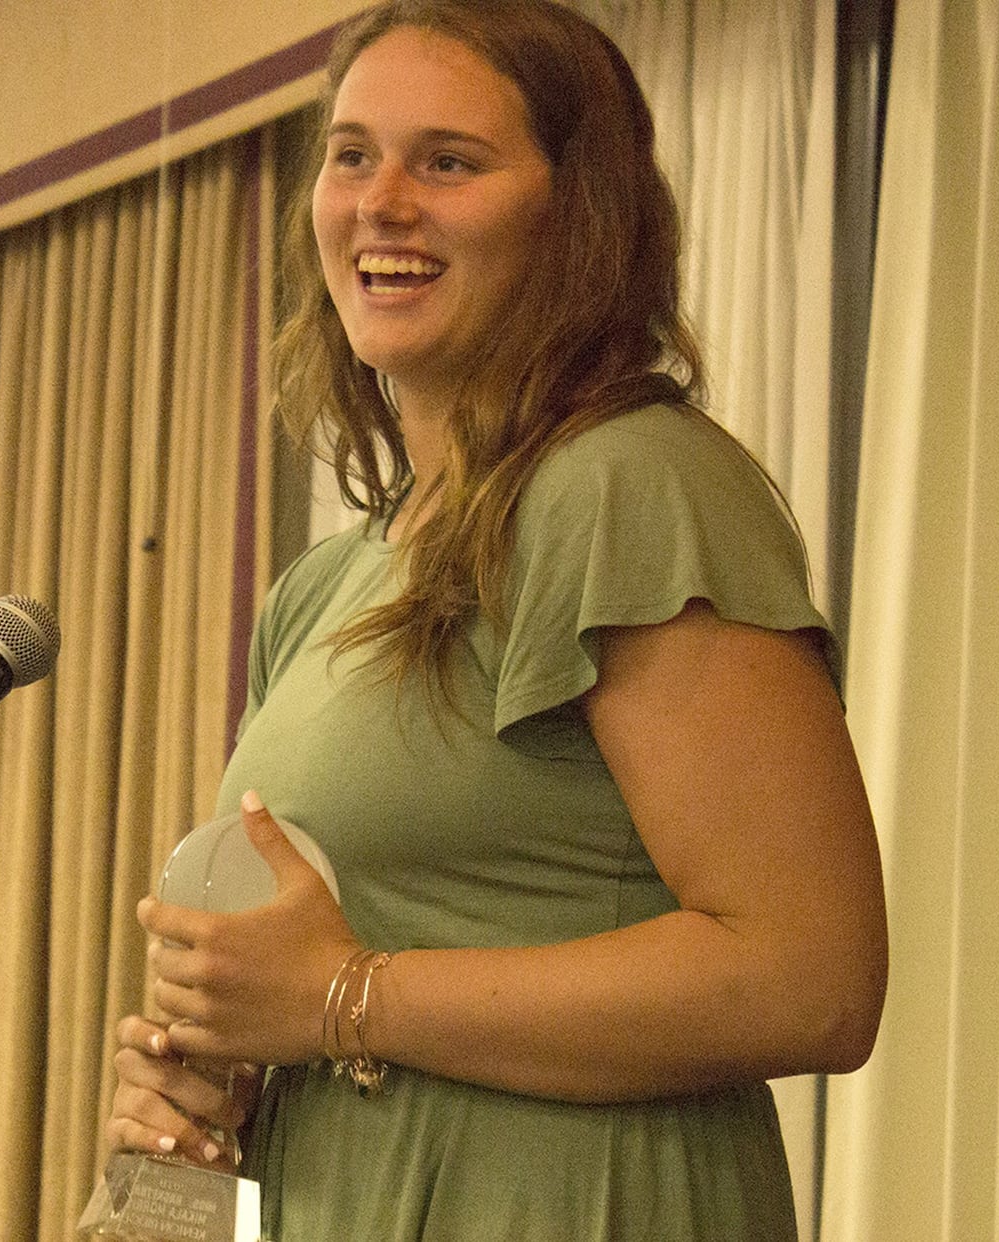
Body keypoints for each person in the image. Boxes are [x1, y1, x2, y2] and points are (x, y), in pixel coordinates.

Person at [107, 1, 888, 1237]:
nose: (381, 201)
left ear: (577, 219)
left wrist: (342, 999)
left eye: (449, 162)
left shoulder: (629, 484)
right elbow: (372, 993)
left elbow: (811, 979)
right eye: (351, 153)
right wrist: (232, 1067)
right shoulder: (327, 581)